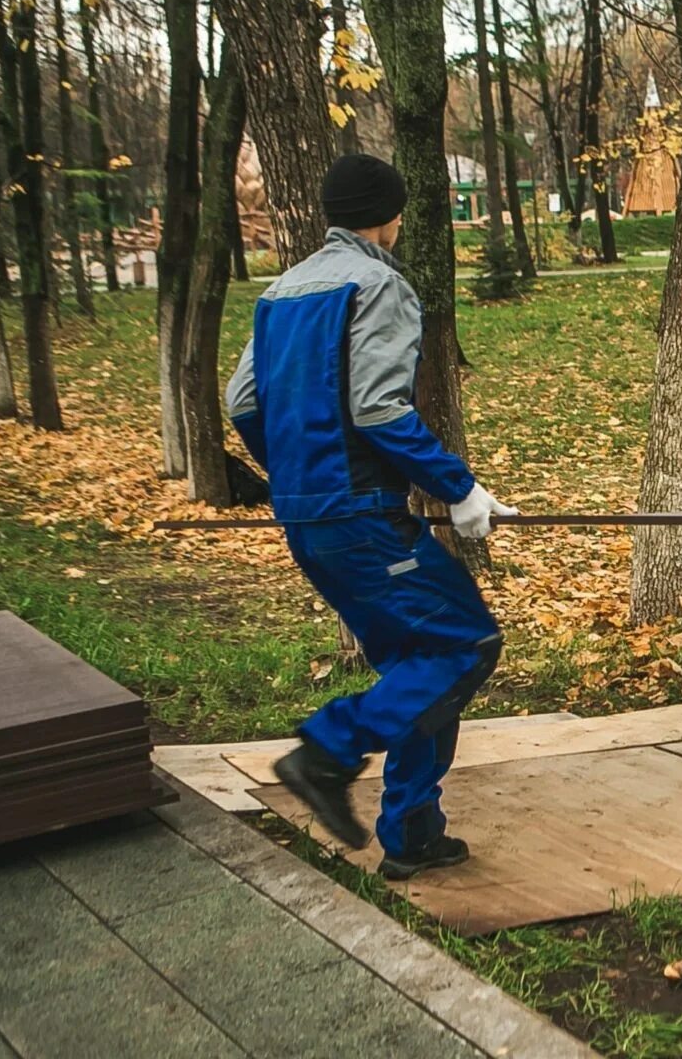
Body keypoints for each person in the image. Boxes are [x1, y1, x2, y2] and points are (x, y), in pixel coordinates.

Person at [226, 152, 516, 879]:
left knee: (419, 666)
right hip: (363, 516)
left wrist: (298, 476)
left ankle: (414, 833)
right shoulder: (380, 284)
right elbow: (379, 407)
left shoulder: (282, 292)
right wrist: (459, 489)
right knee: (464, 645)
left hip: (310, 518)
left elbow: (242, 404)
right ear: (392, 215)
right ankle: (327, 751)